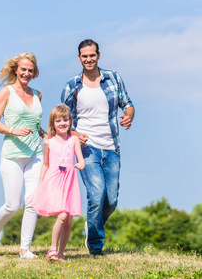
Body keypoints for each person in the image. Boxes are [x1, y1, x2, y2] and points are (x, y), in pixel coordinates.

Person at [61, 39, 135, 256]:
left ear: (98, 55)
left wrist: (128, 116)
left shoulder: (113, 78)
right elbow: (62, 121)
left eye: (92, 55)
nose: (88, 59)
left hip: (112, 147)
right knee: (96, 194)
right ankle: (95, 246)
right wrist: (74, 134)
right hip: (87, 148)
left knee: (111, 200)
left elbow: (128, 104)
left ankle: (91, 226)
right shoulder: (72, 85)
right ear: (79, 58)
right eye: (84, 56)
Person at [0, 52, 47, 259]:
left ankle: (24, 249)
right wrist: (13, 130)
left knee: (33, 202)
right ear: (16, 70)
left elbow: (35, 126)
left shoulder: (37, 95)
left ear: (34, 72)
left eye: (30, 70)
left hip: (35, 154)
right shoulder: (6, 92)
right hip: (12, 155)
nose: (26, 73)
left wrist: (48, 136)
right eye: (23, 69)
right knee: (12, 204)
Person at [30, 104, 85, 261]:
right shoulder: (48, 142)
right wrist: (41, 184)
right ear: (53, 124)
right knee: (61, 215)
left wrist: (81, 163)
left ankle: (61, 253)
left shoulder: (74, 140)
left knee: (68, 220)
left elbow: (80, 158)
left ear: (70, 121)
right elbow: (46, 165)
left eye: (65, 120)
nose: (62, 123)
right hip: (54, 180)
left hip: (69, 181)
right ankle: (52, 250)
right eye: (58, 120)